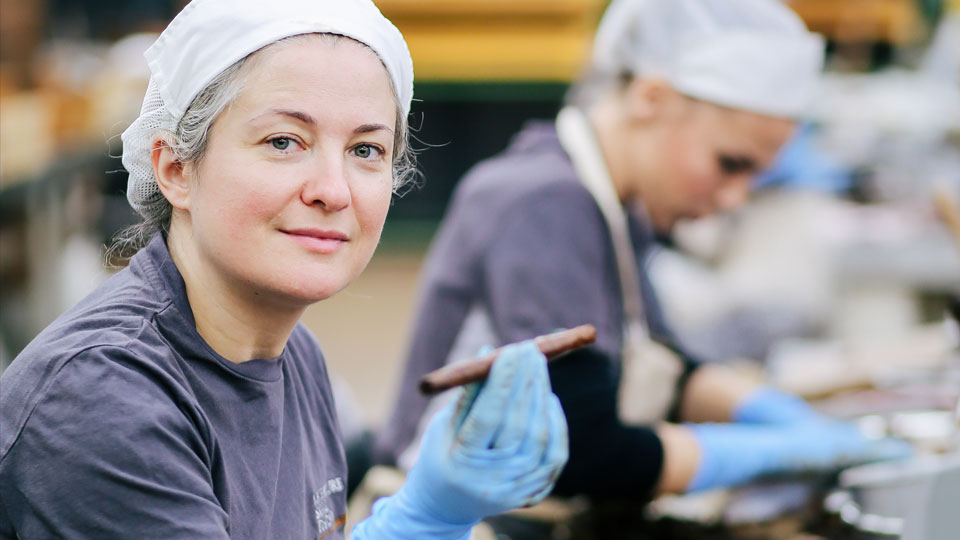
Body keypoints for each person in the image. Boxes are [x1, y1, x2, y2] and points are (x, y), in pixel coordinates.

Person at [0, 1, 568, 538]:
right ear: (175, 169)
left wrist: (435, 516)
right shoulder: (103, 397)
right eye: (283, 141)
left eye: (366, 150)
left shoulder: (294, 357)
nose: (333, 190)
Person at [375, 0, 910, 502]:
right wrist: (771, 452)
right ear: (650, 98)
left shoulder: (615, 207)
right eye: (730, 164)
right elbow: (584, 450)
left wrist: (774, 414)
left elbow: (660, 366)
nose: (734, 199)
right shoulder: (542, 203)